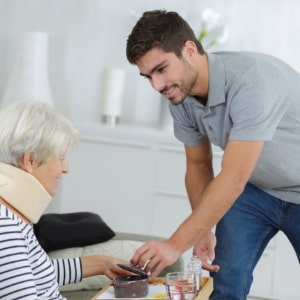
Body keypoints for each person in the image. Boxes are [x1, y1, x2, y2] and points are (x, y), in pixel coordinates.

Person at [126, 9, 300, 300]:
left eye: (161, 69)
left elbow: (232, 178)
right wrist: (201, 230)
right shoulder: (180, 96)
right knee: (225, 283)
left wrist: (175, 244)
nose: (157, 85)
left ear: (189, 50)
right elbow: (197, 165)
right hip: (255, 190)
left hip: (271, 185)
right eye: (148, 77)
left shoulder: (252, 82)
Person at [0, 101, 130, 299]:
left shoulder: (13, 216)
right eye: (61, 158)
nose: (65, 168)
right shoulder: (5, 226)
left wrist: (102, 263)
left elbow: (34, 273)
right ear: (30, 161)